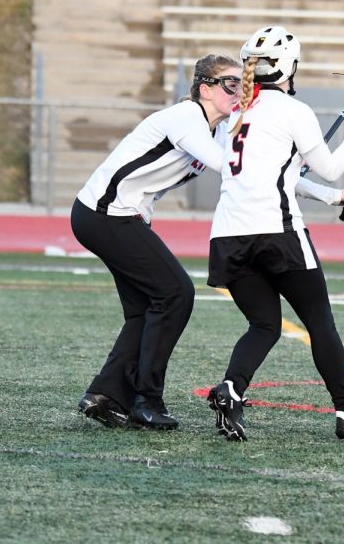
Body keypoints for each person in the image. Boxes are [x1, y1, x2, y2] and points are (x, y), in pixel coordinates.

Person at [205, 25, 344, 441]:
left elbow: (281, 174)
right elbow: (329, 166)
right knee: (320, 323)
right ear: (290, 65)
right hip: (276, 232)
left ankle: (231, 389)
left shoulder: (235, 111)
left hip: (227, 235)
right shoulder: (293, 111)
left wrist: (329, 198)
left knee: (264, 325)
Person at [73, 53, 242, 430]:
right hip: (106, 214)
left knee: (145, 309)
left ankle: (105, 394)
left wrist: (325, 193)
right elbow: (230, 168)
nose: (238, 91)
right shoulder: (186, 119)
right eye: (230, 83)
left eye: (241, 83)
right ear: (205, 89)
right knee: (176, 293)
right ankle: (147, 401)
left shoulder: (215, 130)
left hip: (116, 216)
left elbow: (247, 168)